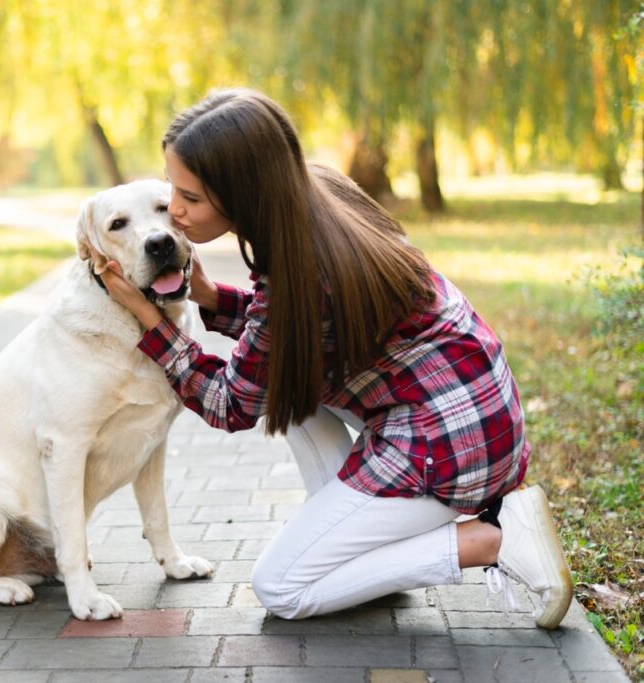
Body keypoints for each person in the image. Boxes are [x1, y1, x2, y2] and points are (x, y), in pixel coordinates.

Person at [92, 88, 573, 628]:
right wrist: (207, 297)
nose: (174, 213)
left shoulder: (301, 271)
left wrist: (152, 322)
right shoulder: (318, 195)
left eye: (189, 198)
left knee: (281, 587)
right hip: (470, 408)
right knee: (290, 385)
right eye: (170, 188)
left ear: (244, 195)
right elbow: (289, 343)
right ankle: (356, 546)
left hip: (448, 446)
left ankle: (492, 540)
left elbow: (231, 405)